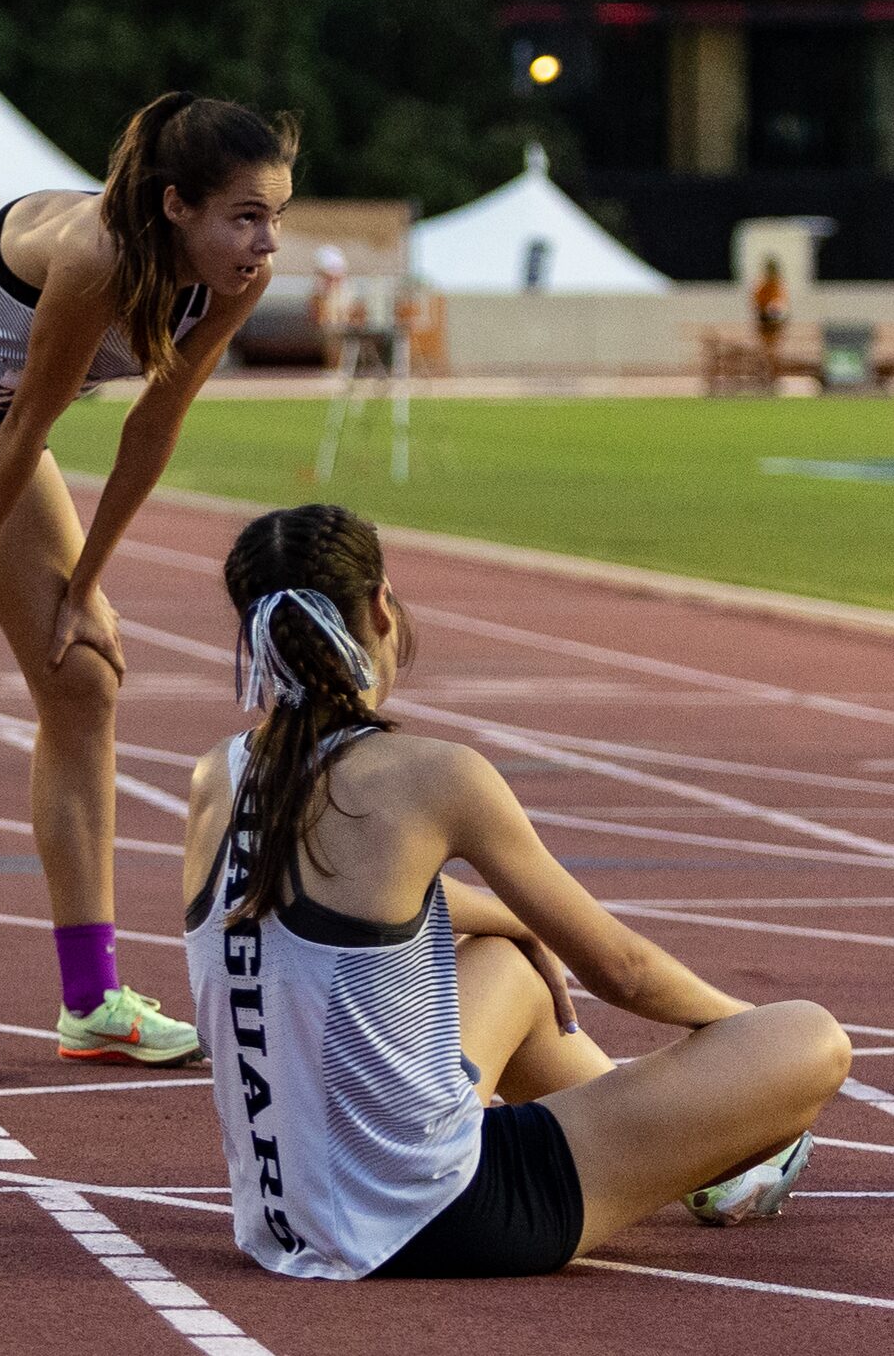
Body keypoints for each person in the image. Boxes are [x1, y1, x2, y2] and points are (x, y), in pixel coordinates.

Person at [184, 502, 850, 1280]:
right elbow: (620, 971)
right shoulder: (432, 775)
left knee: (506, 960)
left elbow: (313, 914)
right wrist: (741, 1033)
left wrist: (509, 921)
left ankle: (705, 1164)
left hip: (283, 1218)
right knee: (811, 1039)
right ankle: (715, 1144)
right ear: (381, 609)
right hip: (444, 1215)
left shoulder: (216, 777)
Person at [0, 92, 297, 1078]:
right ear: (177, 205)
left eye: (275, 214)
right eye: (245, 216)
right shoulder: (97, 255)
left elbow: (153, 425)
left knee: (83, 675)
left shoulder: (226, 281)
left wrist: (85, 587)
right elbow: (29, 426)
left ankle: (90, 999)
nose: (265, 241)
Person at [753, 257, 789, 356]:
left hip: (774, 324)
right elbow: (758, 303)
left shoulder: (778, 288)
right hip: (766, 323)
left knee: (773, 348)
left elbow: (782, 305)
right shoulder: (763, 287)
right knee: (767, 348)